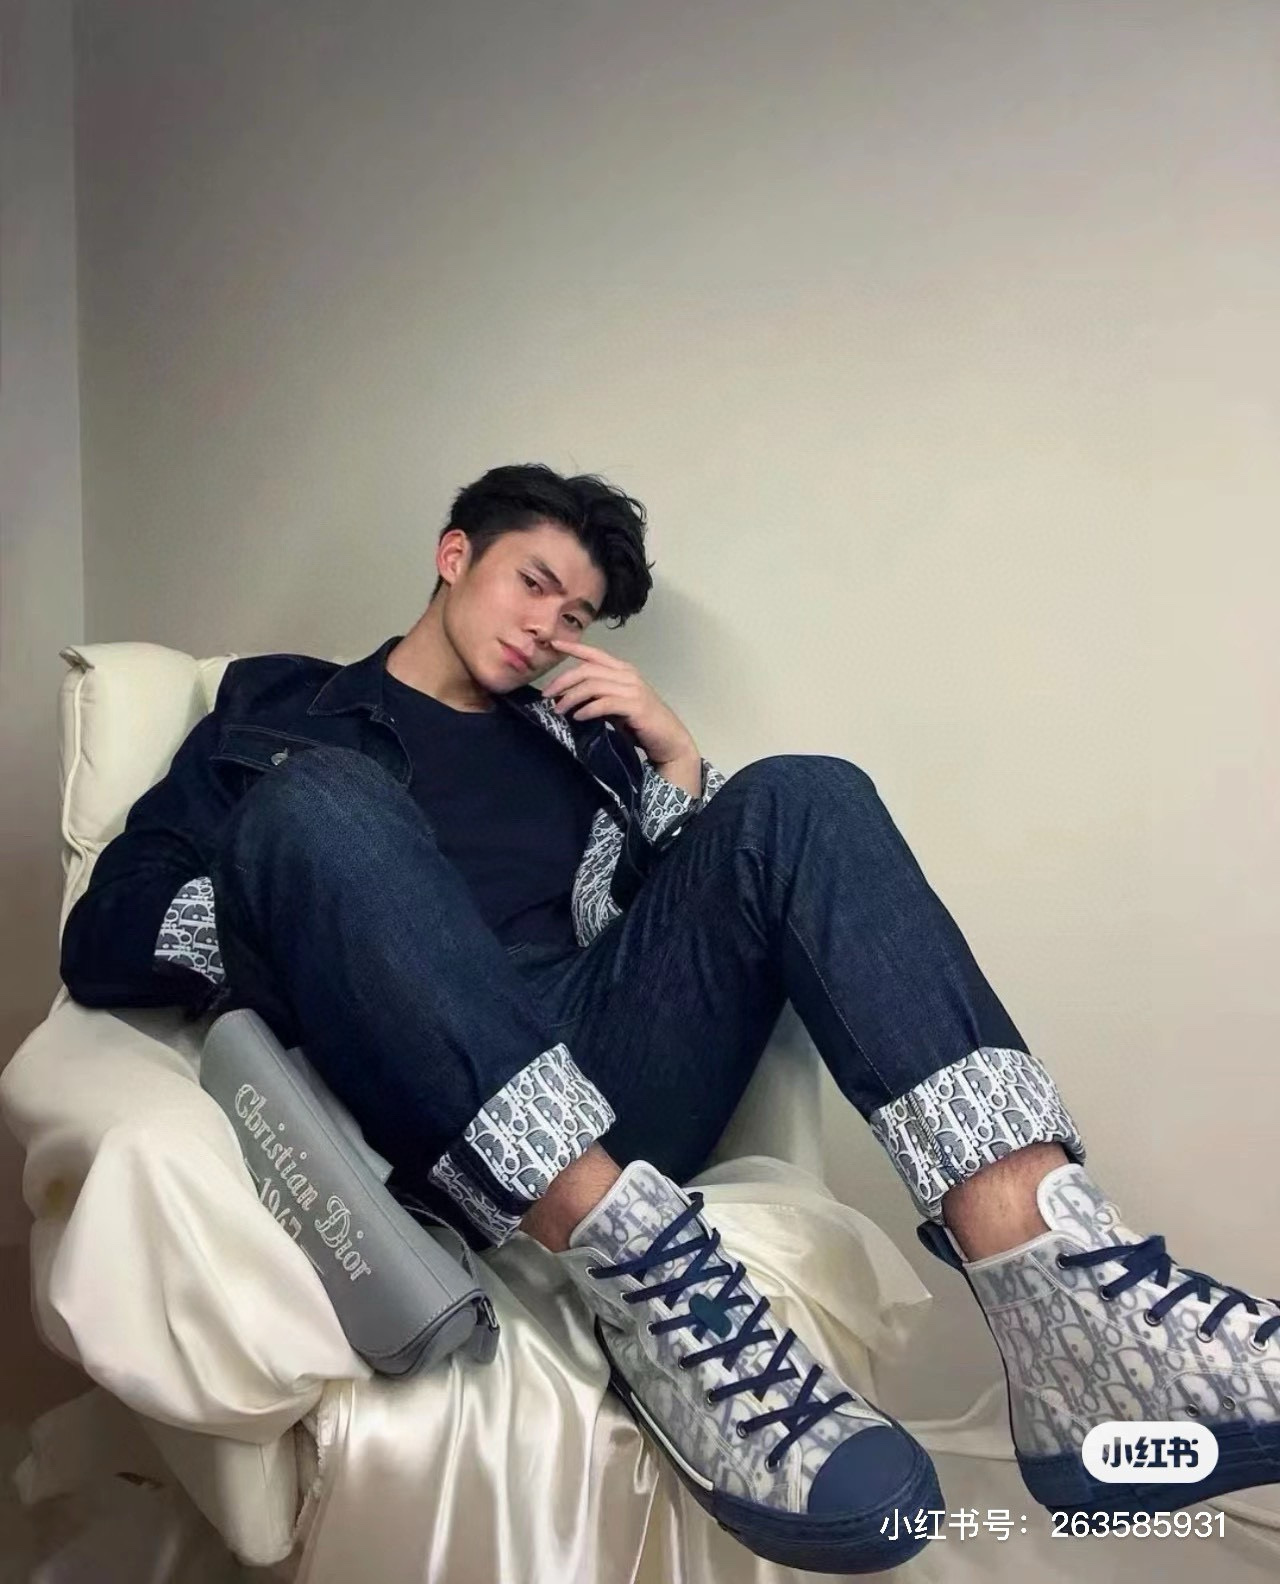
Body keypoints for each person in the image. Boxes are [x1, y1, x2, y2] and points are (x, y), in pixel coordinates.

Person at [60, 462, 1279, 1576]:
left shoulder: (578, 748)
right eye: (533, 582)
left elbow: (704, 927)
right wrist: (304, 922)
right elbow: (107, 928)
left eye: (576, 615)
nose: (548, 628)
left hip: (597, 1061)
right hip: (405, 1087)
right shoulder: (280, 708)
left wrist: (675, 762)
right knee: (321, 804)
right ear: (453, 555)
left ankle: (1061, 1298)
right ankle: (659, 1307)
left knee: (803, 793)